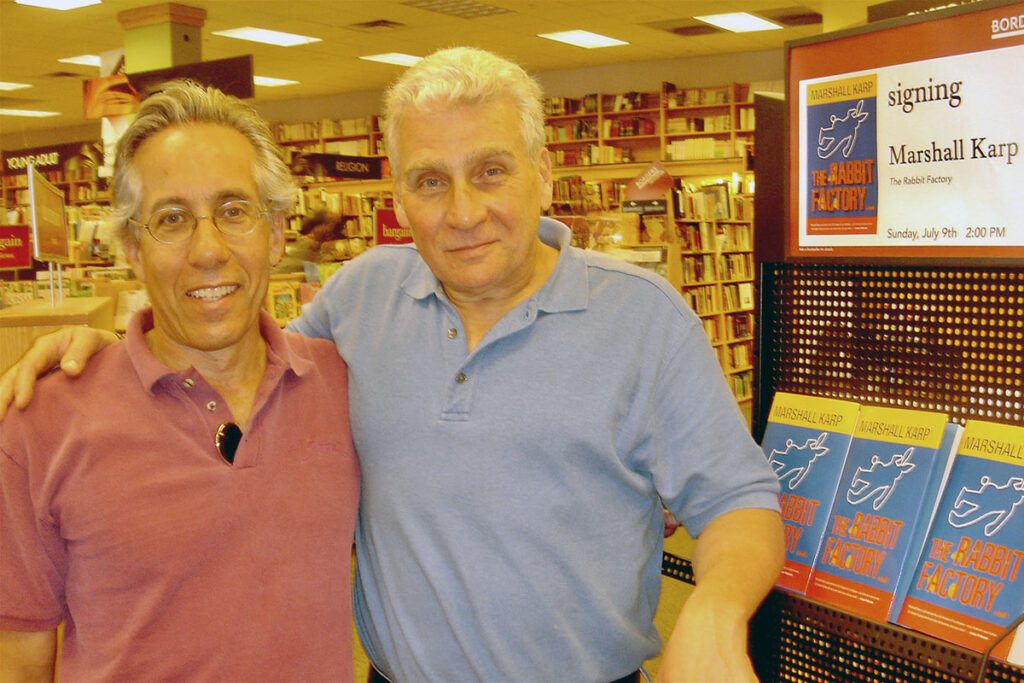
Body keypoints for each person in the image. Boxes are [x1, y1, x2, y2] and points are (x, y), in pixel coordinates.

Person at [0, 49, 783, 682]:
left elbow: (740, 499)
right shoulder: (361, 299)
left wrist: (713, 609)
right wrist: (102, 348)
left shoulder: (643, 318)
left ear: (542, 175)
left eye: (490, 171)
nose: (464, 211)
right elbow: (229, 345)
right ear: (400, 200)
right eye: (430, 182)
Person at [0, 81, 360, 681]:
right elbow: (18, 661)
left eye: (233, 211)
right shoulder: (42, 423)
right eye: (171, 219)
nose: (208, 249)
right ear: (133, 250)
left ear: (275, 231)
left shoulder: (342, 385)